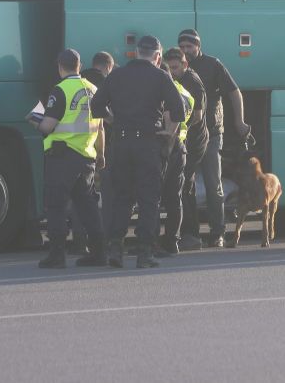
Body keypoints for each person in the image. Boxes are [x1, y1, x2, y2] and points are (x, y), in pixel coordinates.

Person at [90, 36, 185, 268]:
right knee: (148, 199)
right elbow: (179, 110)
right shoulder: (160, 76)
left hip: (121, 144)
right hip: (147, 145)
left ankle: (115, 248)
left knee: (122, 197)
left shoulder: (117, 75)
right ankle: (144, 253)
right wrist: (168, 132)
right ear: (158, 56)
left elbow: (96, 106)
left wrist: (115, 120)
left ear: (135, 53)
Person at [31, 49, 107, 269]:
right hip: (86, 156)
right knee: (87, 206)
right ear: (79, 66)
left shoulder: (61, 90)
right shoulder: (93, 89)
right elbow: (100, 127)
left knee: (56, 206)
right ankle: (99, 253)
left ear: (59, 66)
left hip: (62, 157)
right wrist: (101, 154)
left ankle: (57, 255)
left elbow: (48, 126)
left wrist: (33, 119)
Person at [177, 29, 251, 248]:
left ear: (198, 46)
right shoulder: (178, 67)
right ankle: (190, 233)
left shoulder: (212, 64)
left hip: (211, 132)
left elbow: (234, 92)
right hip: (186, 135)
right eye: (182, 47)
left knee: (213, 184)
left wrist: (239, 122)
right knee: (185, 184)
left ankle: (218, 232)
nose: (185, 51)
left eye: (189, 46)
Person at [68, 51, 115, 254]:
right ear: (108, 67)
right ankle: (103, 242)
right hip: (99, 148)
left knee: (79, 200)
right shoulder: (106, 85)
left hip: (71, 150)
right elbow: (108, 121)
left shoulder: (70, 85)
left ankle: (79, 242)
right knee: (105, 199)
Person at [156, 53, 195, 256]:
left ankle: (153, 241)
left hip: (163, 145)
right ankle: (173, 241)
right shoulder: (187, 94)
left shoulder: (164, 94)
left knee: (152, 196)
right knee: (174, 198)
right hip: (181, 148)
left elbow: (169, 118)